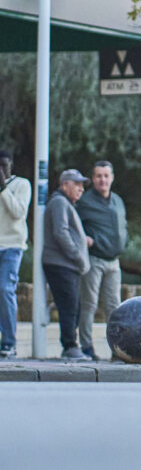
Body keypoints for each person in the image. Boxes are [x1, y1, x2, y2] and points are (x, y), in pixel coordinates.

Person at [75, 160, 128, 360]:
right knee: (89, 304)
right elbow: (72, 224)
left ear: (112, 178)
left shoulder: (118, 201)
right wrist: (83, 238)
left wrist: (124, 240)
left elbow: (124, 225)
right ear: (93, 178)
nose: (102, 180)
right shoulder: (85, 201)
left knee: (115, 307)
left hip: (114, 262)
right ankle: (86, 347)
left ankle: (117, 349)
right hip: (94, 260)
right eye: (98, 176)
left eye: (106, 176)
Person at [43, 170, 92, 359]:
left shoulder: (65, 203)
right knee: (69, 307)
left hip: (67, 265)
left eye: (82, 185)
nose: (81, 189)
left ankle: (72, 345)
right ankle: (70, 346)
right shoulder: (60, 202)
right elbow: (60, 232)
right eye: (77, 184)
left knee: (74, 305)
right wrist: (78, 256)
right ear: (65, 185)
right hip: (61, 264)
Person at [0, 150, 32, 358]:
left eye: (4, 165)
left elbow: (18, 212)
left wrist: (3, 188)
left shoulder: (21, 185)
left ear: (11, 165)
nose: (1, 170)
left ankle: (9, 342)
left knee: (5, 289)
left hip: (12, 246)